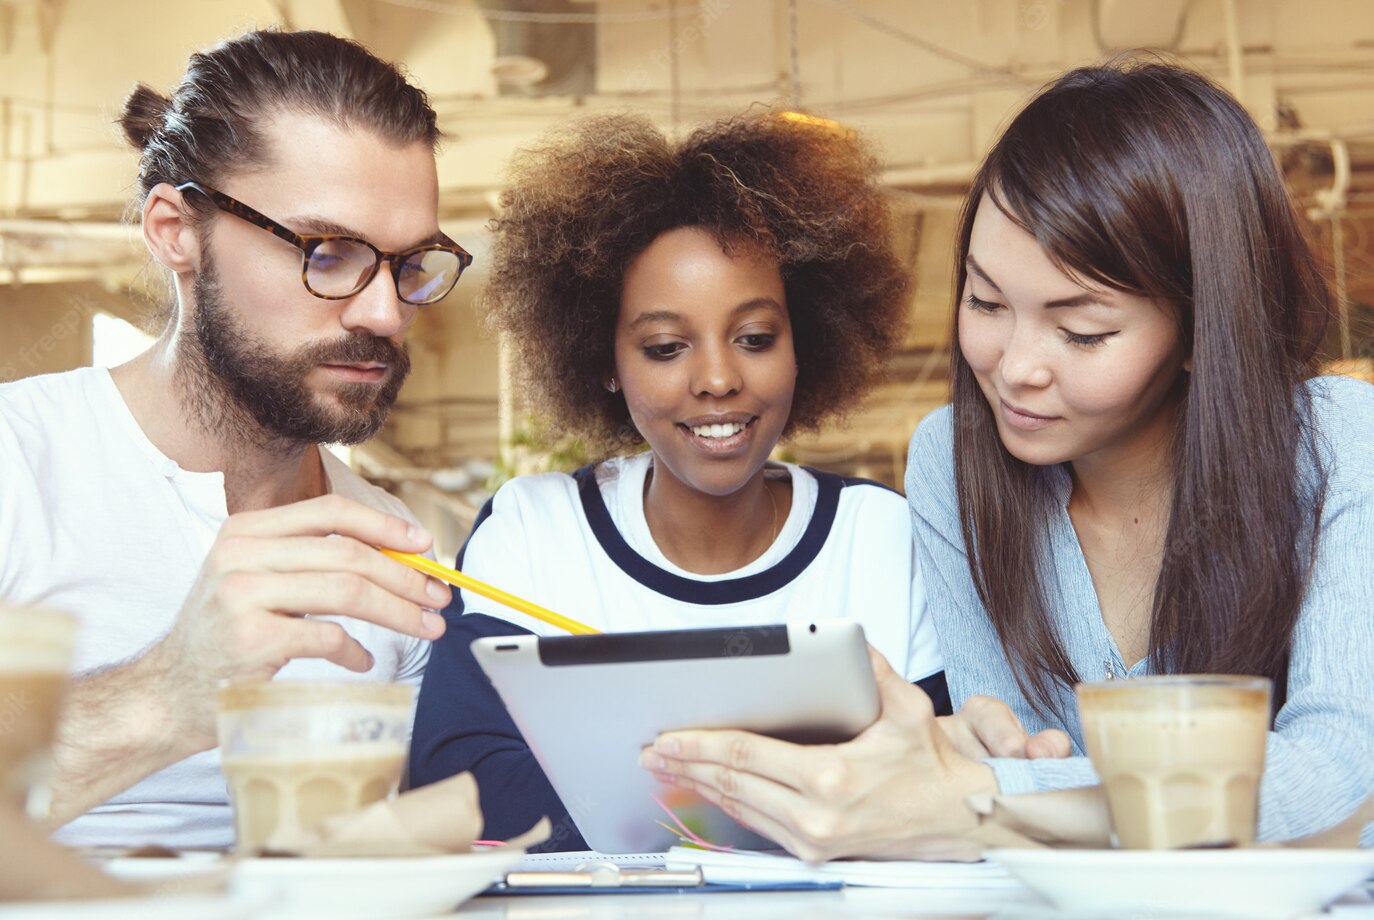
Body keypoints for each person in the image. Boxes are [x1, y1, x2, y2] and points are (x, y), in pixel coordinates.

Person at [639, 60, 1374, 858]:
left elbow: (1342, 774)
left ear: (1204, 328)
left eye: (1082, 332)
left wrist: (988, 797)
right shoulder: (954, 464)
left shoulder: (1337, 442)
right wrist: (957, 765)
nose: (1015, 365)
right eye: (986, 301)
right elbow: (1019, 752)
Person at [409, 112, 1035, 852]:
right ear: (605, 360)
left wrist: (622, 781)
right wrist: (797, 794)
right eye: (666, 346)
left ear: (805, 341)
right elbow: (460, 789)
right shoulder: (533, 532)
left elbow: (933, 785)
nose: (716, 379)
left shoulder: (885, 537)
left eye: (755, 338)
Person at [0, 29, 471, 849]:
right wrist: (166, 692)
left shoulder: (392, 550)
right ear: (176, 230)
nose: (385, 314)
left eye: (408, 263)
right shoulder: (17, 461)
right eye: (328, 253)